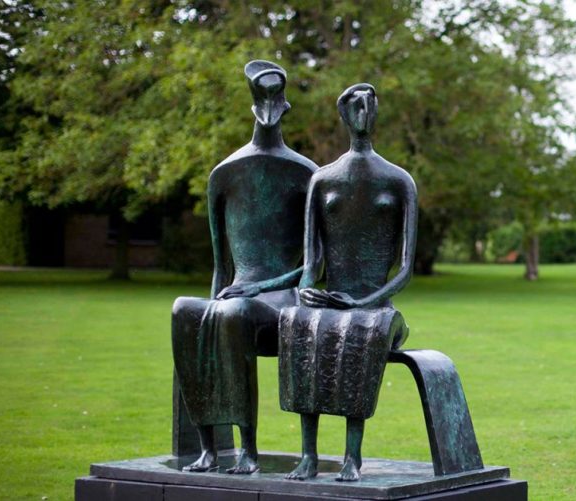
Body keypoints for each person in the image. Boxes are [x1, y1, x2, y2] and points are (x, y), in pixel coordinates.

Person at [172, 60, 317, 474]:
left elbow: (313, 265)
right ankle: (208, 448)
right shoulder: (225, 173)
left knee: (234, 313)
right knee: (185, 311)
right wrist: (211, 310)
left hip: (281, 303)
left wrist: (254, 290)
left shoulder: (305, 173)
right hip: (234, 297)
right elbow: (221, 267)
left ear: (284, 106)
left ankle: (248, 450)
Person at [279, 83, 418, 482]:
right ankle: (308, 454)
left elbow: (405, 270)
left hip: (376, 306)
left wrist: (362, 302)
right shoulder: (323, 179)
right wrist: (307, 291)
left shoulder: (398, 180)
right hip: (331, 300)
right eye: (355, 106)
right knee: (300, 325)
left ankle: (351, 456)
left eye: (370, 105)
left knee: (359, 333)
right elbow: (313, 261)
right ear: (343, 115)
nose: (363, 113)